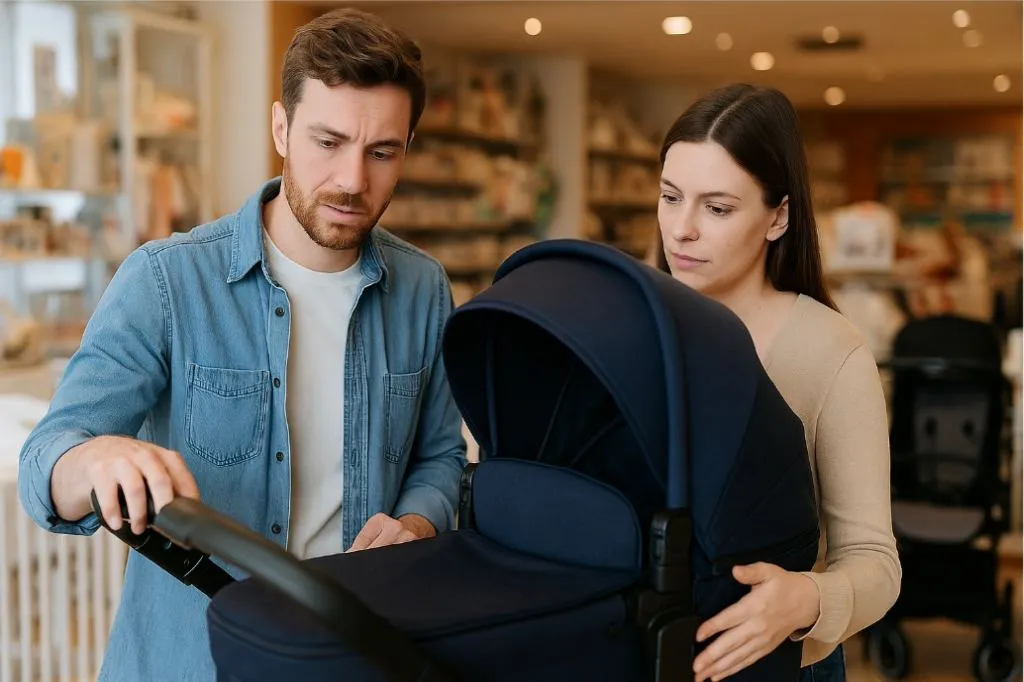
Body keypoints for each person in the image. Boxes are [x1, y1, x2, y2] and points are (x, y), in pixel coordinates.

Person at [18, 8, 466, 681]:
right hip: (191, 661)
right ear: (281, 128)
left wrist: (416, 523)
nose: (352, 179)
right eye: (328, 141)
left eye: (382, 152)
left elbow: (438, 458)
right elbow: (45, 464)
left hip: (346, 654)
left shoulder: (423, 290)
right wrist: (97, 457)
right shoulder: (168, 280)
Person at [650, 83, 901, 682]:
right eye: (669, 196)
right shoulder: (630, 323)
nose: (681, 229)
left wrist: (805, 600)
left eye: (717, 208)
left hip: (779, 665)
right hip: (637, 651)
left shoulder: (830, 352)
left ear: (779, 216)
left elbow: (875, 564)